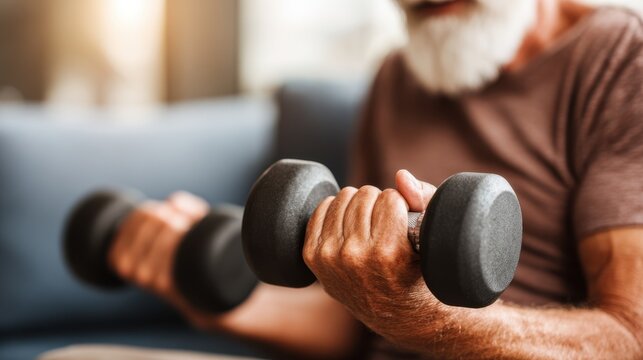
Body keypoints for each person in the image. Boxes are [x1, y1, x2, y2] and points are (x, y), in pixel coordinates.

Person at [107, 1, 643, 358]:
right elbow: (349, 316)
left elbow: (630, 334)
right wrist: (206, 293)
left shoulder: (622, 61)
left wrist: (423, 317)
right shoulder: (398, 74)